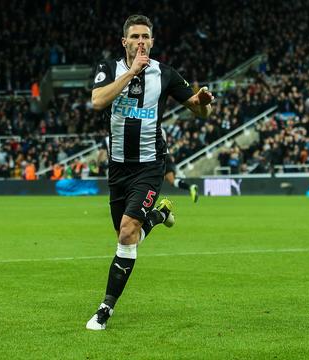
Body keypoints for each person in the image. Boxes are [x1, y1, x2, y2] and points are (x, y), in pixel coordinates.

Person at [86, 15, 214, 330]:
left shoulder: (165, 74)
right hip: (117, 168)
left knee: (128, 231)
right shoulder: (108, 69)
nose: (141, 41)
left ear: (152, 42)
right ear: (125, 42)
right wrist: (131, 73)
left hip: (149, 165)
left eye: (146, 36)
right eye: (135, 37)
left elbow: (199, 110)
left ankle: (105, 308)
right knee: (125, 238)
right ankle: (158, 216)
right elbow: (97, 102)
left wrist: (204, 103)